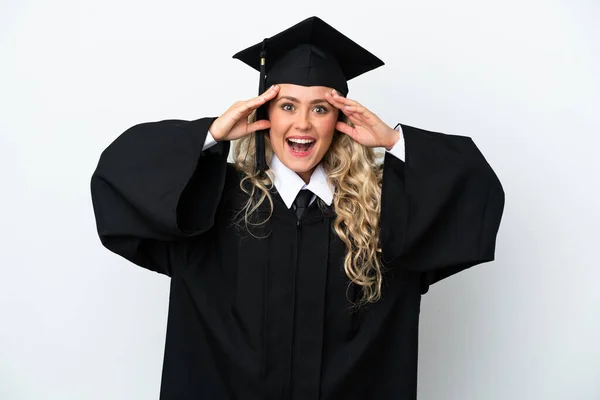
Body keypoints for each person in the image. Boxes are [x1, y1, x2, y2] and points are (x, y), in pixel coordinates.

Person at [91, 16, 505, 400]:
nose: (303, 125)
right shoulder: (210, 203)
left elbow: (476, 197)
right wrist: (211, 135)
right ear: (264, 114)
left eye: (320, 109)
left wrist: (395, 143)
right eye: (287, 106)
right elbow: (118, 178)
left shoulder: (383, 212)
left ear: (340, 120)